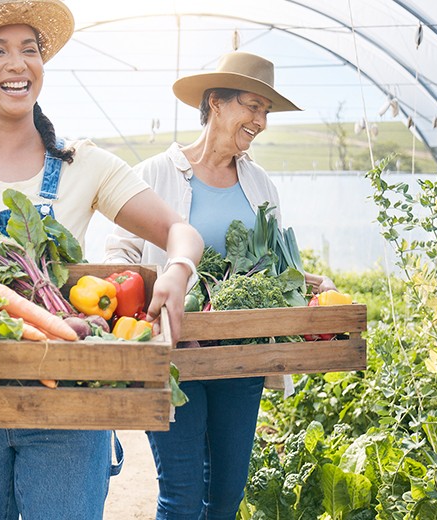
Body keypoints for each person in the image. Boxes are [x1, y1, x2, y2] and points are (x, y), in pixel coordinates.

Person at [0, 1, 204, 518]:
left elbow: (179, 231)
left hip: (69, 403)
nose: (18, 63)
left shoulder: (82, 165)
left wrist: (179, 268)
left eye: (30, 49)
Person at [104, 51, 337, 518]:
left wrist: (314, 285)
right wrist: (150, 302)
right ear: (215, 102)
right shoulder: (155, 174)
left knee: (227, 496)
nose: (261, 121)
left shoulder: (260, 184)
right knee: (182, 496)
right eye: (252, 106)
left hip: (240, 358)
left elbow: (271, 268)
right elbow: (119, 255)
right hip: (176, 359)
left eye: (266, 111)